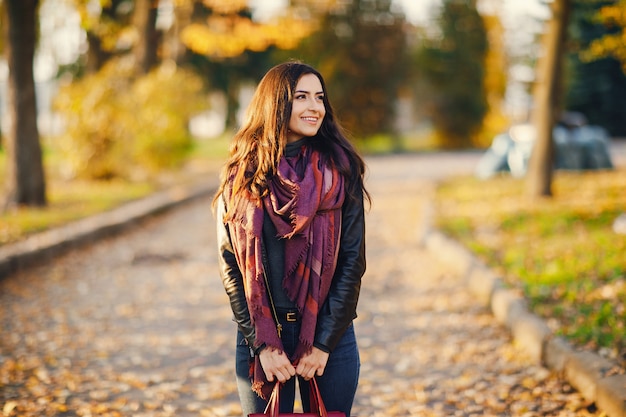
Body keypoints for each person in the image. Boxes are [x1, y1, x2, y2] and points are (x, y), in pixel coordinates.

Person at [213, 61, 369, 417]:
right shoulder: (241, 174)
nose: (315, 107)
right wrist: (262, 344)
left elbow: (352, 261)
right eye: (302, 97)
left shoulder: (342, 171)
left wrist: (323, 343)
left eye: (319, 97)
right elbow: (231, 267)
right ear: (276, 103)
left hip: (330, 334)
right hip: (262, 335)